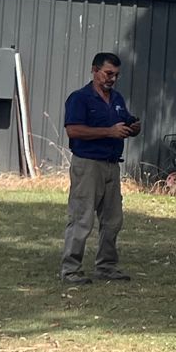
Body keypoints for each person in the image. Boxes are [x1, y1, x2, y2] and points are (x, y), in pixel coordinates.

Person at [60, 52, 141, 284]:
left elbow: (124, 123)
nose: (112, 79)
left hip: (112, 166)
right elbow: (73, 130)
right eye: (107, 73)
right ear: (94, 71)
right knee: (81, 217)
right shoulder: (79, 98)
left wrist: (134, 127)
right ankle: (71, 269)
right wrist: (109, 132)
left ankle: (106, 266)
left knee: (113, 219)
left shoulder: (117, 99)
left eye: (116, 75)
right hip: (87, 165)